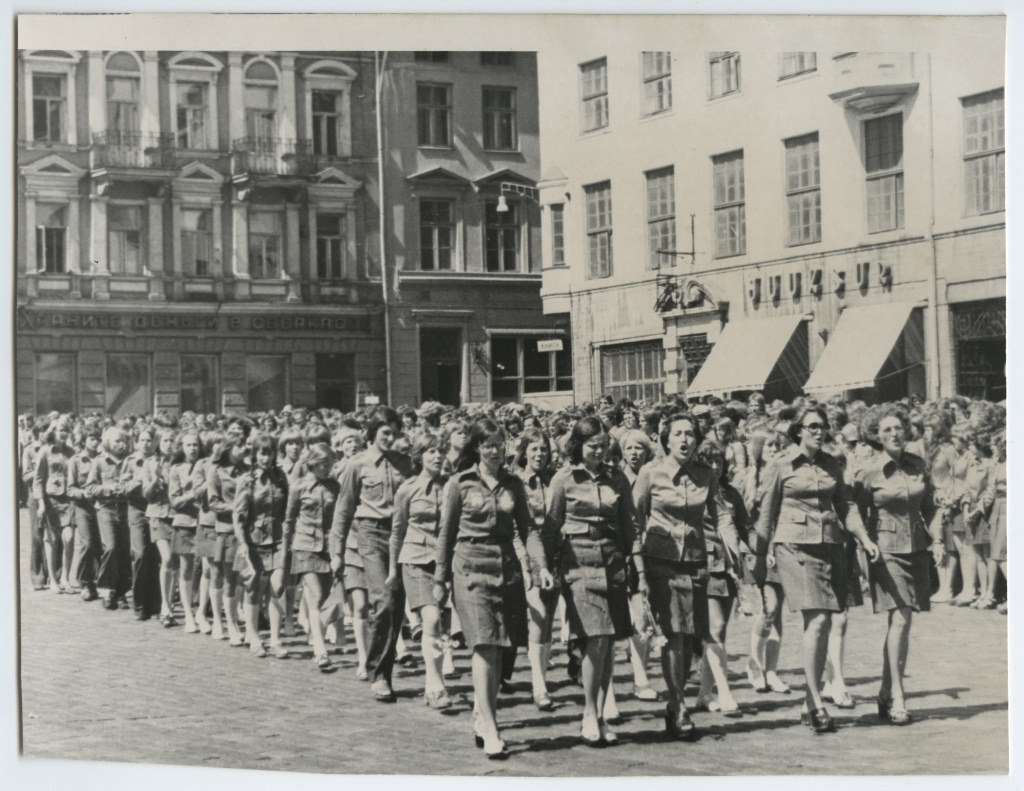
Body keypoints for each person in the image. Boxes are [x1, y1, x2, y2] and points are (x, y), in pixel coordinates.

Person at [751, 404, 880, 734]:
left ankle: (810, 700)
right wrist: (759, 560)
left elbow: (846, 505)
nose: (818, 431)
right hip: (793, 547)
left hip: (830, 547)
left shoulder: (832, 464)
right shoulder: (781, 466)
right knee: (819, 618)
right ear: (798, 431)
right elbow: (766, 516)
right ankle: (815, 701)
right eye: (811, 426)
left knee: (824, 621)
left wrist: (864, 537)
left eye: (822, 426)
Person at [434, 418, 551, 759]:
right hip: (470, 571)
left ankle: (482, 711)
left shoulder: (513, 484)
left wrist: (540, 565)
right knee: (485, 645)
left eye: (500, 444)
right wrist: (439, 579)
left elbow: (528, 530)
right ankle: (491, 725)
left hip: (507, 571)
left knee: (501, 648)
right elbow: (446, 533)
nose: (495, 451)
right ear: (476, 448)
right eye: (488, 445)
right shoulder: (460, 483)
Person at [633, 413, 729, 740]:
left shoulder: (705, 475)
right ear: (667, 439)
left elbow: (721, 513)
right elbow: (634, 518)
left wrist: (734, 548)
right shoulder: (651, 473)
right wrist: (638, 568)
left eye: (690, 434)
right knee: (673, 633)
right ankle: (679, 704)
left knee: (690, 637)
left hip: (696, 562)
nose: (685, 440)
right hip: (662, 562)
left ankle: (675, 703)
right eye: (678, 434)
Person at [547, 416, 640, 747]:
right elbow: (551, 527)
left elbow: (629, 525)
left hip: (613, 562)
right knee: (596, 638)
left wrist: (635, 563)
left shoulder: (618, 479)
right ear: (578, 446)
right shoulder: (563, 480)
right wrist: (547, 569)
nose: (599, 452)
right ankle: (588, 712)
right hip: (578, 563)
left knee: (609, 641)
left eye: (603, 446)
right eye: (592, 446)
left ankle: (600, 713)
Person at [852, 406, 944, 725]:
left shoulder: (918, 465)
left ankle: (884, 689)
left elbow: (932, 507)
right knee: (901, 618)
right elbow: (854, 511)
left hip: (917, 549)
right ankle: (898, 696)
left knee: (901, 623)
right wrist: (865, 542)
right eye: (887, 430)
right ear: (878, 436)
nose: (894, 434)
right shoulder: (869, 470)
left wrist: (940, 539)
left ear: (906, 431)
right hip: (886, 551)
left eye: (898, 428)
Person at [330, 407, 414, 701]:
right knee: (385, 599)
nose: (390, 438)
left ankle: (384, 667)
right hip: (370, 534)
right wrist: (337, 552)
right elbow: (344, 509)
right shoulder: (358, 464)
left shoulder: (407, 464)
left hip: (402, 536)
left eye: (394, 432)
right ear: (372, 433)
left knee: (397, 604)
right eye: (384, 433)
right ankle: (380, 674)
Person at [389, 432, 452, 706]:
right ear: (419, 457)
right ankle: (435, 684)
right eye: (430, 452)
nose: (437, 456)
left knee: (442, 624)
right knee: (432, 619)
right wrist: (393, 570)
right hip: (415, 560)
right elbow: (397, 531)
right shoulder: (407, 488)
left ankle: (435, 681)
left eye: (440, 451)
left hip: (444, 563)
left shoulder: (452, 487)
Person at [512, 427, 560, 711]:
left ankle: (539, 676)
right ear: (524, 453)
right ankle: (538, 684)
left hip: (553, 555)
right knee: (539, 617)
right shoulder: (516, 482)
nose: (539, 454)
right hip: (525, 557)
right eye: (534, 449)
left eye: (543, 449)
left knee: (547, 621)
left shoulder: (555, 480)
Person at [233, 433, 290, 658]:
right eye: (262, 453)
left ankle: (275, 639)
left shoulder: (281, 477)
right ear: (255, 454)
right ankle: (253, 635)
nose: (266, 458)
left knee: (277, 587)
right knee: (253, 588)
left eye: (269, 453)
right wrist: (243, 543)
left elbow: (287, 509)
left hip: (278, 539)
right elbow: (238, 517)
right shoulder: (247, 480)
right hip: (254, 540)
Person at [284, 442, 339, 671]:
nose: (327, 468)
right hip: (305, 545)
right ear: (313, 464)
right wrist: (285, 553)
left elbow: (340, 519)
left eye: (330, 464)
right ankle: (320, 650)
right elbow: (289, 520)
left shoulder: (335, 487)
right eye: (323, 464)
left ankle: (313, 629)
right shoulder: (299, 487)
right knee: (316, 596)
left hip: (328, 548)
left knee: (327, 598)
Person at [207, 435, 249, 645]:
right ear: (228, 449)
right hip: (226, 531)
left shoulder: (248, 471)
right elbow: (213, 503)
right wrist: (237, 506)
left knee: (242, 577)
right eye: (239, 445)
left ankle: (235, 620)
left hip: (246, 532)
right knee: (227, 578)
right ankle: (223, 622)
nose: (244, 449)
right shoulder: (217, 472)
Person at [87, 427, 133, 611]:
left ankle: (121, 591)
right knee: (111, 547)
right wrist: (109, 489)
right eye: (117, 441)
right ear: (107, 443)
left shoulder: (130, 462)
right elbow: (90, 488)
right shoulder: (99, 462)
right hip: (106, 509)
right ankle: (106, 589)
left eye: (123, 441)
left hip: (126, 509)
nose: (121, 445)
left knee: (124, 550)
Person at [143, 428, 180, 627]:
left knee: (173, 562)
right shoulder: (149, 464)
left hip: (177, 516)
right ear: (158, 443)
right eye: (165, 440)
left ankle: (170, 607)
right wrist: (156, 480)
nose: (168, 444)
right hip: (157, 515)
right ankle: (165, 606)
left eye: (172, 440)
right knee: (166, 559)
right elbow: (146, 494)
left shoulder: (179, 464)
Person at [168, 430, 204, 633]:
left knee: (205, 570)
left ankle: (201, 611)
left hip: (204, 523)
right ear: (182, 447)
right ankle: (189, 615)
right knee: (186, 570)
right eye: (189, 445)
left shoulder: (206, 466)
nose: (193, 448)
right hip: (184, 523)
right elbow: (174, 501)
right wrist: (194, 494)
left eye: (196, 444)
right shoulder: (176, 470)